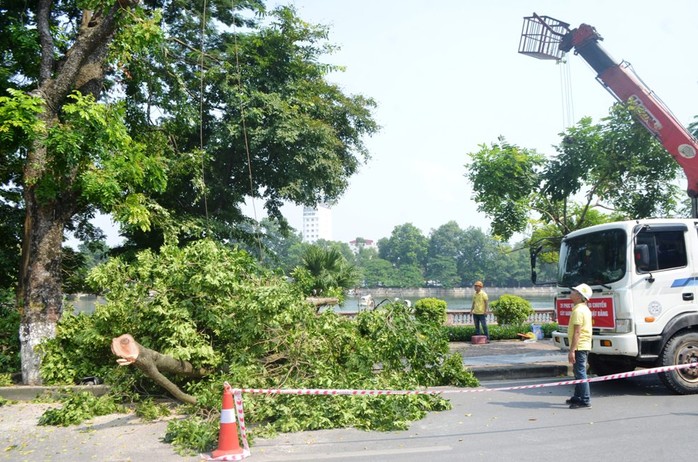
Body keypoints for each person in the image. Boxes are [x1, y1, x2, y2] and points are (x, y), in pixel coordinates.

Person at [566, 283, 593, 409]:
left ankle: (585, 399)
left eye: (574, 291)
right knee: (578, 372)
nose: (571, 292)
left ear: (579, 296)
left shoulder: (578, 311)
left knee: (581, 373)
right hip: (582, 345)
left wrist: (572, 350)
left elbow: (577, 332)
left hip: (580, 346)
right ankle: (577, 397)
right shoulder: (584, 309)